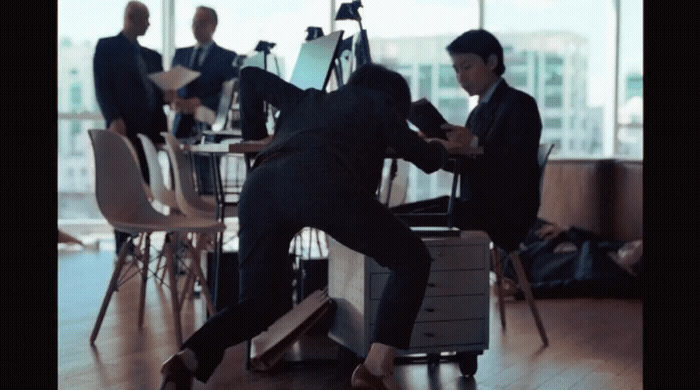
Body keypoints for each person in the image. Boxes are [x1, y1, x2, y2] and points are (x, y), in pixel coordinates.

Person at [159, 64, 471, 390]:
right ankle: (375, 368)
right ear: (393, 98)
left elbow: (249, 76)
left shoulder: (306, 100)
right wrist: (442, 146)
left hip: (262, 187)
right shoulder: (379, 102)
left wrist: (255, 136)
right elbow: (424, 158)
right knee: (411, 259)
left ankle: (188, 358)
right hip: (324, 185)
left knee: (261, 305)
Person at [392, 29, 543, 254]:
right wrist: (437, 147)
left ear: (491, 62)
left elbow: (516, 162)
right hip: (478, 207)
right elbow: (468, 166)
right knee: (395, 215)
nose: (460, 77)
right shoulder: (479, 112)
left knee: (394, 220)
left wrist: (472, 143)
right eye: (456, 69)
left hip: (503, 212)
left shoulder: (520, 105)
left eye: (467, 67)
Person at [93, 1, 171, 254]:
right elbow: (102, 85)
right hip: (123, 128)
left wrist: (170, 96)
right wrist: (113, 116)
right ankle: (124, 243)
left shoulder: (152, 56)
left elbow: (158, 95)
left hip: (150, 131)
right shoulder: (107, 48)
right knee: (123, 185)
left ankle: (141, 236)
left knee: (146, 183)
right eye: (145, 19)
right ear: (131, 17)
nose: (149, 24)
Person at [168, 6, 238, 194]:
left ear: (213, 26)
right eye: (193, 23)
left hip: (209, 129)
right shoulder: (180, 54)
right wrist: (174, 99)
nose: (196, 27)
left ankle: (206, 221)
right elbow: (172, 87)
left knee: (207, 184)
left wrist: (200, 102)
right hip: (181, 127)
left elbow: (228, 96)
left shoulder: (227, 58)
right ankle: (178, 222)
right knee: (178, 185)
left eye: (201, 23)